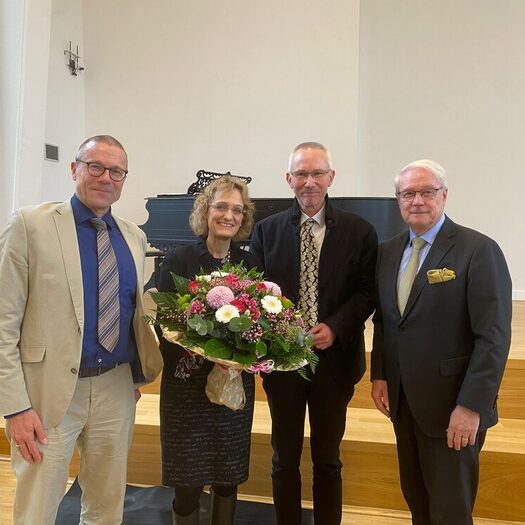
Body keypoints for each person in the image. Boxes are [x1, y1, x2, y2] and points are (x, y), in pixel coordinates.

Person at [0, 135, 163, 525]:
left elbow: (128, 311)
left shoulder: (132, 235)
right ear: (74, 169)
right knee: (38, 507)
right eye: (95, 166)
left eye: (116, 171)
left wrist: (136, 376)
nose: (106, 177)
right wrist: (15, 407)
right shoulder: (30, 224)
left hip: (115, 388)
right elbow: (4, 323)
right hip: (48, 393)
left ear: (124, 179)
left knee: (107, 505)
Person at [371, 159, 512, 525]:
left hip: (453, 408)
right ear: (398, 201)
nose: (417, 200)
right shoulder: (387, 252)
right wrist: (380, 375)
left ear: (444, 196)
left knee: (450, 512)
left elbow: (493, 338)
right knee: (418, 502)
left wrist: (471, 407)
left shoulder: (478, 250)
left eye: (426, 192)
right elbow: (388, 322)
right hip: (404, 404)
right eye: (407, 194)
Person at [250, 142, 377, 524]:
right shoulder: (266, 231)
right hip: (283, 365)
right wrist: (281, 333)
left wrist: (336, 327)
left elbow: (368, 290)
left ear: (330, 178)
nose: (309, 182)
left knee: (327, 460)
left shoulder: (360, 231)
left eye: (317, 173)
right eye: (301, 174)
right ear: (289, 179)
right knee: (283, 459)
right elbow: (256, 294)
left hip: (333, 364)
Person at [157, 176, 261, 525]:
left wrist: (239, 358)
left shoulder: (251, 265)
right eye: (221, 206)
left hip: (232, 387)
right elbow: (165, 324)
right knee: (187, 483)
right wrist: (199, 352)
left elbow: (260, 324)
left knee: (227, 478)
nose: (228, 215)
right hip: (186, 391)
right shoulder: (178, 259)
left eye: (237, 209)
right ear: (206, 210)